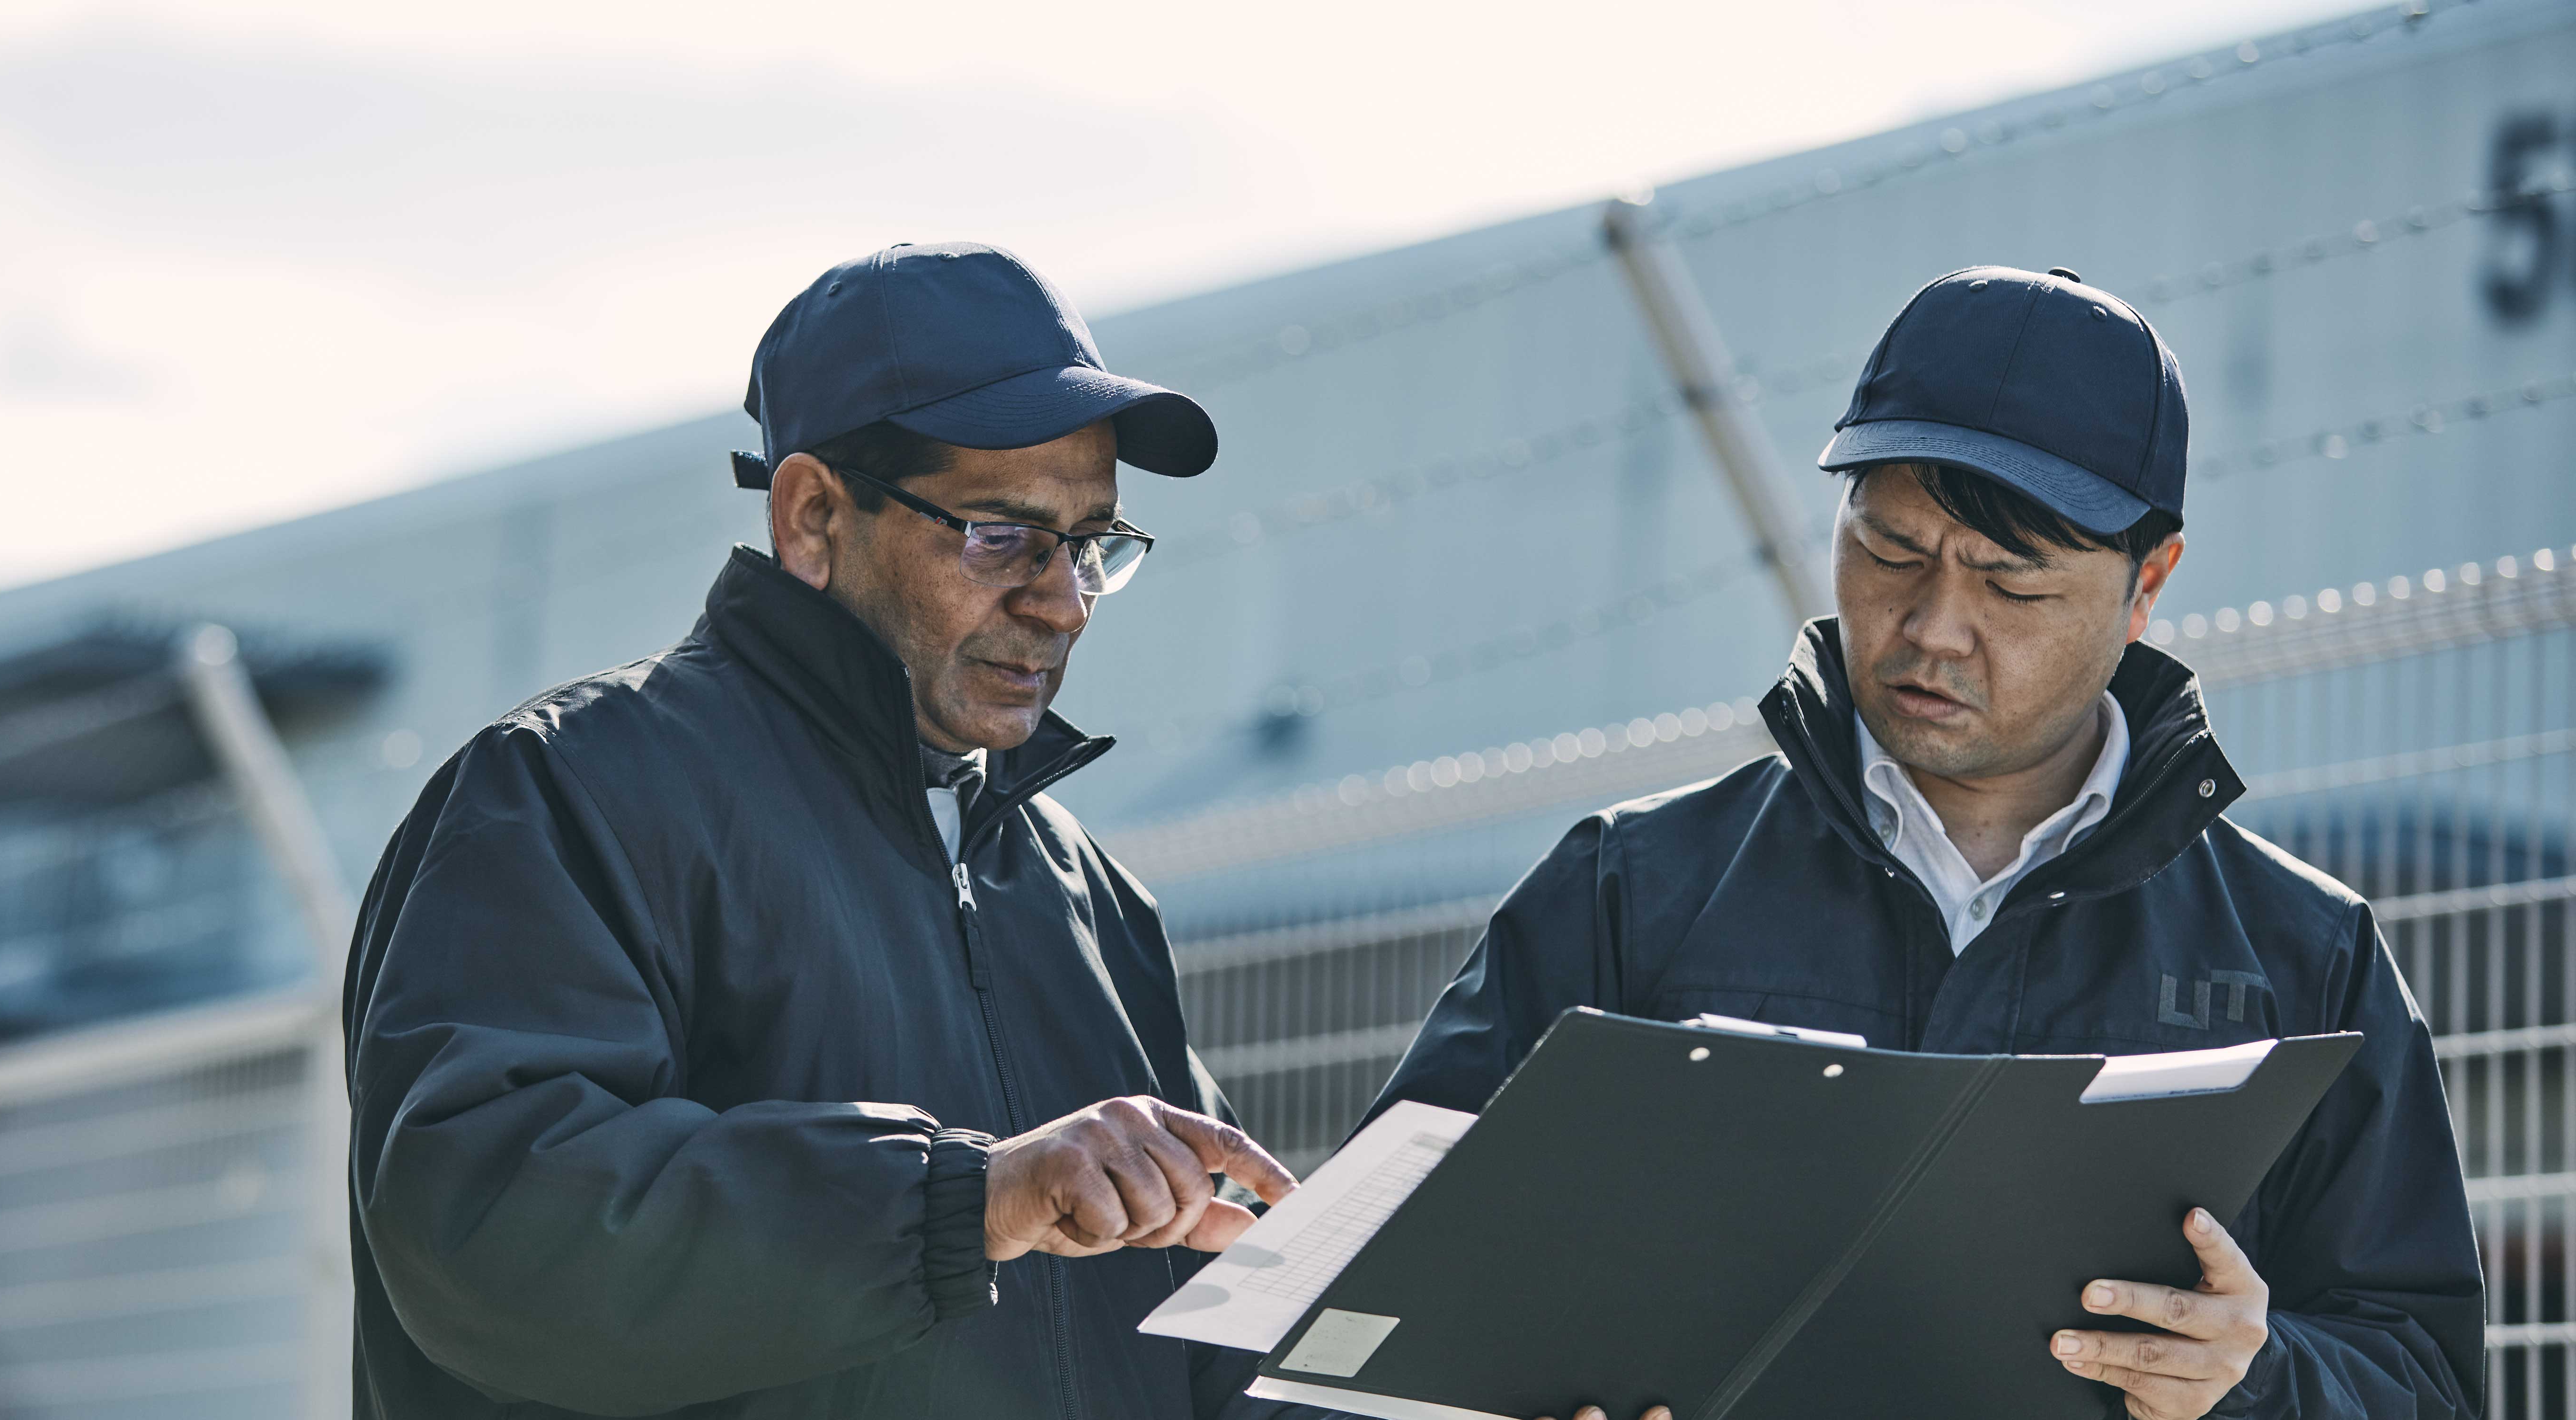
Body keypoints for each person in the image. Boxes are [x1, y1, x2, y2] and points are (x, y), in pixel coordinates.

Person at [1371, 266, 2483, 1420]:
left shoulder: (2306, 959)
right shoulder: (1626, 891)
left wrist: (2253, 1382)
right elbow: (1352, 1318)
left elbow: (2421, 1380)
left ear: (2148, 583)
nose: (1932, 627)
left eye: (2011, 581)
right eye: (1892, 551)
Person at [344, 242, 1310, 1420]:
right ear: (812, 516)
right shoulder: (571, 790)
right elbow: (488, 1227)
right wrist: (967, 1200)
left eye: (1091, 545)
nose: (1059, 600)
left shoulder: (1087, 893)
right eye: (1003, 535)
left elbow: (1196, 1347)